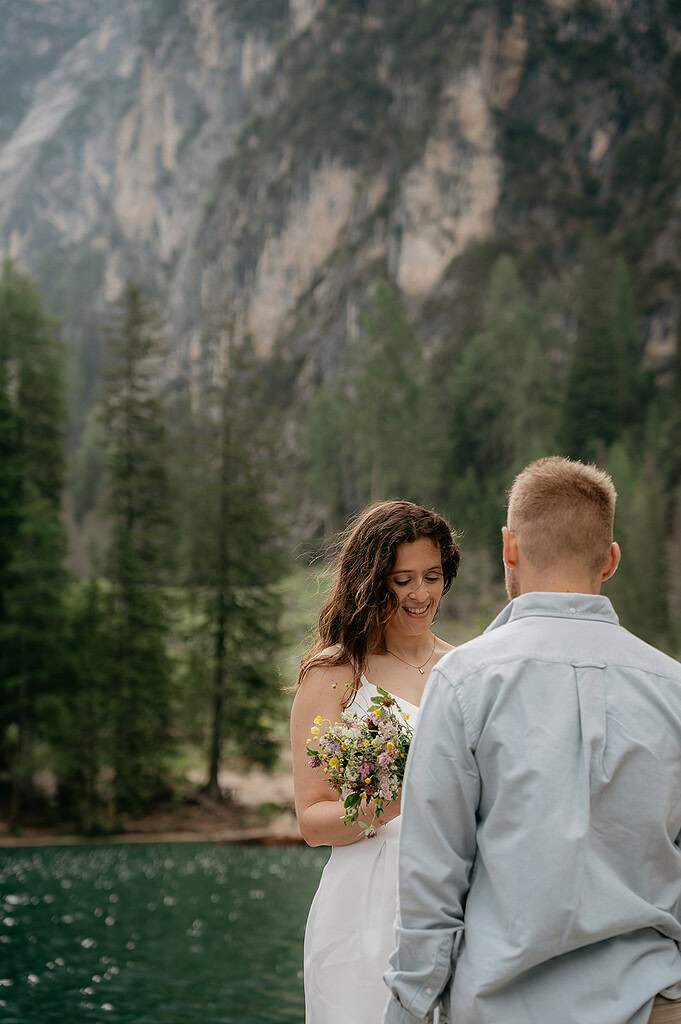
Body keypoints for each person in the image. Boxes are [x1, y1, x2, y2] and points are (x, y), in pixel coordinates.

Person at [384, 456, 681, 1024]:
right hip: (653, 1003)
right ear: (611, 560)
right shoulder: (673, 689)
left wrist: (408, 1011)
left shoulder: (465, 681)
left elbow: (432, 884)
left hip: (502, 1007)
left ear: (509, 548)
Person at [290, 500, 461, 1024]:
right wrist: (397, 800)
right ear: (371, 581)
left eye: (431, 576)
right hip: (363, 900)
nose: (421, 594)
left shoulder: (467, 669)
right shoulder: (336, 674)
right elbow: (313, 821)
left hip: (454, 893)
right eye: (402, 579)